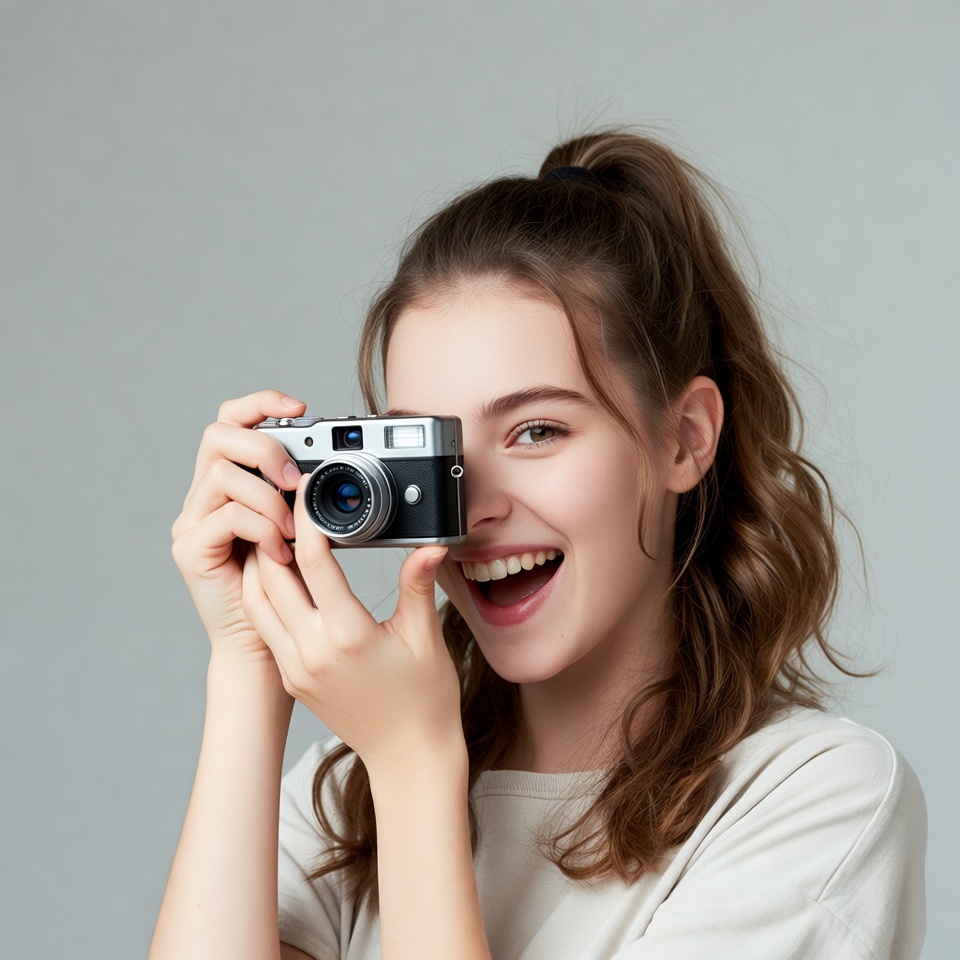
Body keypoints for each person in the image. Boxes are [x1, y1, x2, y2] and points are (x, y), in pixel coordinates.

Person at [150, 131, 926, 960]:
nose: (473, 508)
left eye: (536, 430)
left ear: (684, 440)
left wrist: (416, 770)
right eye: (435, 452)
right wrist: (246, 660)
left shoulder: (813, 800)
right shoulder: (349, 787)